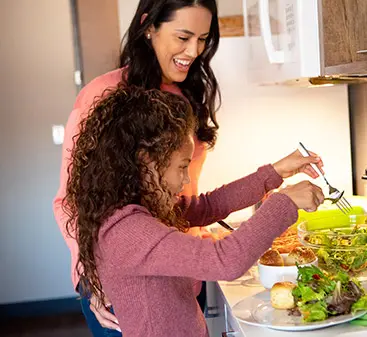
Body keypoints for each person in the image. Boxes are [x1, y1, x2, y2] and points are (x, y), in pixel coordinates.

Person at [63, 86, 325, 337]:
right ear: (146, 162)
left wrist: (276, 172)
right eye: (181, 167)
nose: (186, 180)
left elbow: (210, 205)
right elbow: (224, 261)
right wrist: (285, 203)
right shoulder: (128, 230)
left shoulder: (139, 212)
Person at [53, 0, 221, 334]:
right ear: (148, 27)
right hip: (120, 287)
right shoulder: (101, 96)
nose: (194, 51)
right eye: (183, 37)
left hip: (182, 276)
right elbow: (70, 200)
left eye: (203, 39)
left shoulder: (186, 95)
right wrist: (92, 276)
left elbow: (184, 194)